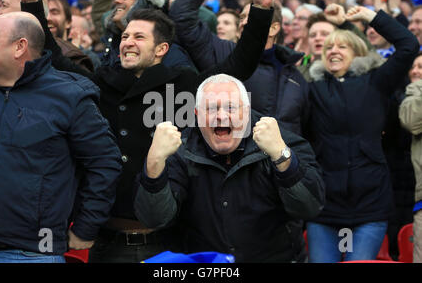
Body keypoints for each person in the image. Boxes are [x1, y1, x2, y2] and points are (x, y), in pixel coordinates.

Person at [20, 0, 275, 262]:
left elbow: (238, 64)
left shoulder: (183, 86)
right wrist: (31, 6)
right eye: (125, 36)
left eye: (139, 37)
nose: (128, 42)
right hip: (105, 240)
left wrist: (260, 12)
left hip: (167, 243)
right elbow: (54, 57)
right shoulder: (101, 83)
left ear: (161, 50)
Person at [0, 0, 122, 263]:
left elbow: (105, 161)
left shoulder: (69, 95)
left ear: (20, 47)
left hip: (28, 254)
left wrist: (87, 226)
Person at [134, 74, 325, 263]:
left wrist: (282, 156)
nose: (221, 116)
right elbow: (154, 219)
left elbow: (310, 207)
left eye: (231, 107)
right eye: (210, 108)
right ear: (197, 115)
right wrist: (154, 163)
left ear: (247, 111)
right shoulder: (179, 150)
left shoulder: (281, 141)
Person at [305, 5, 420, 262]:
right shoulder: (313, 89)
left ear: (358, 53)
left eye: (342, 47)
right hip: (325, 207)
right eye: (329, 48)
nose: (333, 51)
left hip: (370, 205)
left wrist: (370, 16)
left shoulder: (377, 82)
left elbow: (409, 45)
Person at [169, 0, 310, 138]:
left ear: (273, 28)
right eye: (241, 18)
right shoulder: (221, 53)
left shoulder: (294, 75)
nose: (243, 23)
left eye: (251, 17)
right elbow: (181, 17)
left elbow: (309, 132)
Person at [399, 52, 422, 263]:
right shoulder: (413, 95)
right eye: (413, 67)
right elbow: (412, 120)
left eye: (421, 67)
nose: (415, 71)